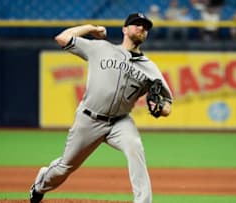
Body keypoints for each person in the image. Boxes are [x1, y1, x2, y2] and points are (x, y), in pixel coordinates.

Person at [29, 12, 173, 203]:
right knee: (65, 168)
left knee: (135, 147)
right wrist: (91, 28)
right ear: (124, 29)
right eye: (137, 24)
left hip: (120, 122)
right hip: (89, 120)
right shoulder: (101, 48)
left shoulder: (150, 68)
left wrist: (159, 107)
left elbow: (167, 105)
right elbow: (62, 38)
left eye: (145, 27)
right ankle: (40, 184)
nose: (141, 28)